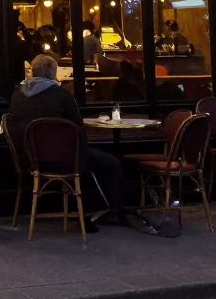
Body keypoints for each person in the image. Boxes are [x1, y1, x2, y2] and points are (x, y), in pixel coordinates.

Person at [8, 54, 127, 232]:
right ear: (53, 73)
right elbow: (78, 130)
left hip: (29, 160)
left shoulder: (18, 95)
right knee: (110, 163)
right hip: (65, 161)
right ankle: (94, 213)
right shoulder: (62, 96)